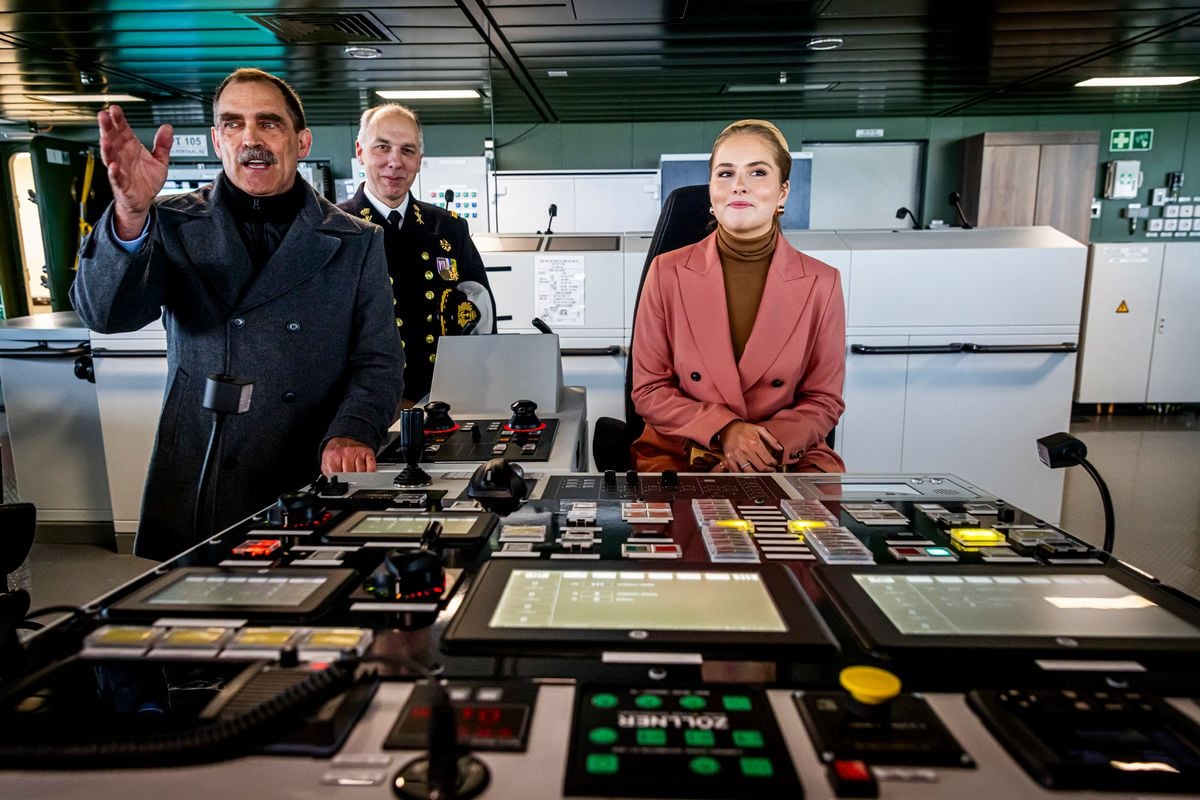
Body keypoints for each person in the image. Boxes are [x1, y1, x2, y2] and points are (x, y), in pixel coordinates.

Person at [71, 68, 405, 560]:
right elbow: (105, 314)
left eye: (268, 123)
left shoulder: (356, 240)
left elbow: (379, 360)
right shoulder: (170, 221)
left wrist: (353, 431)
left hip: (308, 464)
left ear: (301, 141)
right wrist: (129, 213)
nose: (250, 138)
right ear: (216, 139)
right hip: (202, 465)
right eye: (233, 124)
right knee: (189, 625)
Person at [630, 119, 845, 474]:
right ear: (712, 189)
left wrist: (758, 446)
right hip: (685, 452)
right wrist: (726, 431)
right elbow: (650, 389)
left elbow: (824, 400)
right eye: (725, 174)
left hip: (784, 456)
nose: (739, 186)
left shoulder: (822, 282)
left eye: (757, 173)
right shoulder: (666, 272)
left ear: (783, 191)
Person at [338, 103, 495, 407]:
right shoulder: (333, 230)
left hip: (445, 400)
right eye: (382, 147)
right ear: (360, 151)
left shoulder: (448, 228)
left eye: (407, 151)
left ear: (420, 160)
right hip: (363, 409)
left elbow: (480, 317)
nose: (394, 162)